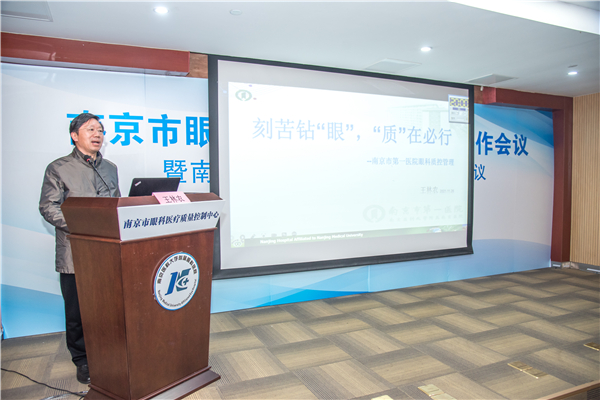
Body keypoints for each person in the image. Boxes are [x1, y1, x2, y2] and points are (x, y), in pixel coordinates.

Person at [39, 113, 120, 384]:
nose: (97, 134)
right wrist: (81, 225)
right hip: (74, 252)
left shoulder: (110, 168)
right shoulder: (58, 168)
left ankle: (106, 352)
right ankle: (82, 359)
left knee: (106, 307)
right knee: (77, 311)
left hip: (107, 251)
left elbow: (117, 204)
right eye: (90, 129)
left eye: (100, 130)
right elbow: (48, 207)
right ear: (74, 136)